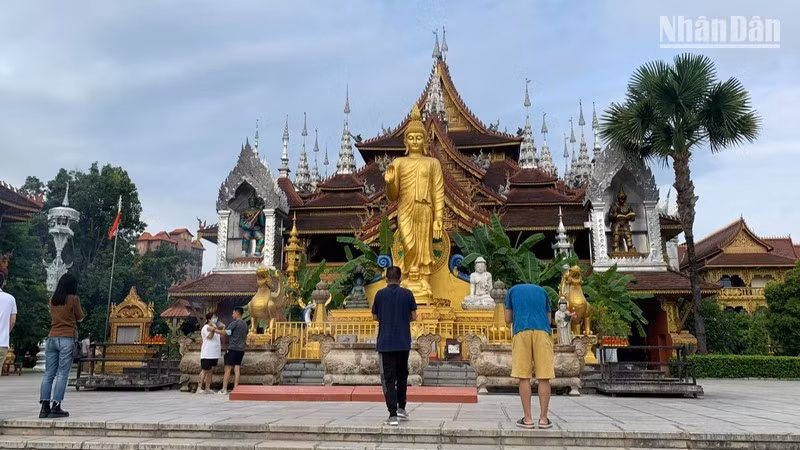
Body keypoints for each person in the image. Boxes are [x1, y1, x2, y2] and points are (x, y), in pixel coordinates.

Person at [372, 266, 417, 426]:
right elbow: (414, 316)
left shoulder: (379, 294)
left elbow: (374, 316)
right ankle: (401, 407)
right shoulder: (408, 294)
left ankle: (392, 414)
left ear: (386, 278)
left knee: (388, 378)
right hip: (403, 342)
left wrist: (387, 317)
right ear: (400, 278)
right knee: (402, 375)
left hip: (385, 343)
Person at [505, 283, 554, 429]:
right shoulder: (543, 292)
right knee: (544, 377)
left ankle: (528, 419)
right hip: (542, 333)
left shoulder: (512, 292)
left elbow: (507, 319)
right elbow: (549, 320)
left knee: (524, 376)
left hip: (521, 332)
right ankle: (543, 419)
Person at [39, 273, 84, 419]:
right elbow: (80, 317)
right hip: (67, 337)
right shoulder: (73, 299)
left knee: (48, 374)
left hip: (52, 337)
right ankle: (56, 405)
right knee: (62, 374)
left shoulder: (52, 300)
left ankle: (44, 406)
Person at [210, 307, 248, 394]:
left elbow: (226, 333)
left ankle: (224, 389)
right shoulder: (245, 324)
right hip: (241, 350)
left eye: (233, 313)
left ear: (237, 313)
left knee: (227, 369)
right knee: (237, 369)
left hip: (232, 349)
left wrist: (214, 330)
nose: (232, 315)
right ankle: (236, 389)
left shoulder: (235, 323)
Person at [197, 312, 221, 394]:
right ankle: (199, 388)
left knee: (210, 371)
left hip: (214, 353)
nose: (215, 318)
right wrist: (213, 329)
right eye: (213, 317)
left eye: (216, 317)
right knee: (204, 371)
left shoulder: (215, 327)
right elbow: (210, 337)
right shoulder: (205, 327)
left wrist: (217, 328)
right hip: (207, 353)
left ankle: (207, 388)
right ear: (209, 319)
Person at [0, 272, 17, 369]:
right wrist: (6, 332)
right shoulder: (10, 299)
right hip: (2, 341)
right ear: (3, 283)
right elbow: (13, 321)